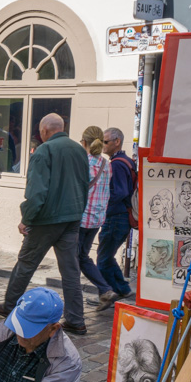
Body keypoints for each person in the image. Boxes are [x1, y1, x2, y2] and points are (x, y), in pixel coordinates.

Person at [0, 114, 89, 335]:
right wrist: (77, 212)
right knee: (70, 271)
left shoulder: (44, 151)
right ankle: (76, 319)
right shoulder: (79, 149)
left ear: (44, 131)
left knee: (25, 264)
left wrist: (26, 218)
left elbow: (37, 192)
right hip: (71, 217)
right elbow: (84, 184)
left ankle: (9, 305)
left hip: (47, 218)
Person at [95, 127, 136, 312]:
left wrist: (104, 210)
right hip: (120, 217)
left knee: (102, 260)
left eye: (105, 142)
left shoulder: (118, 164)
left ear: (116, 141)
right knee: (107, 257)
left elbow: (119, 193)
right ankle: (122, 289)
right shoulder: (126, 161)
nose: (103, 145)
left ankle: (109, 292)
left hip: (116, 218)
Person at [77, 126, 114, 307]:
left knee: (74, 258)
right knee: (82, 256)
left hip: (81, 218)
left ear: (84, 142)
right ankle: (105, 289)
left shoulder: (82, 162)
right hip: (97, 219)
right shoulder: (107, 164)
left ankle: (75, 296)